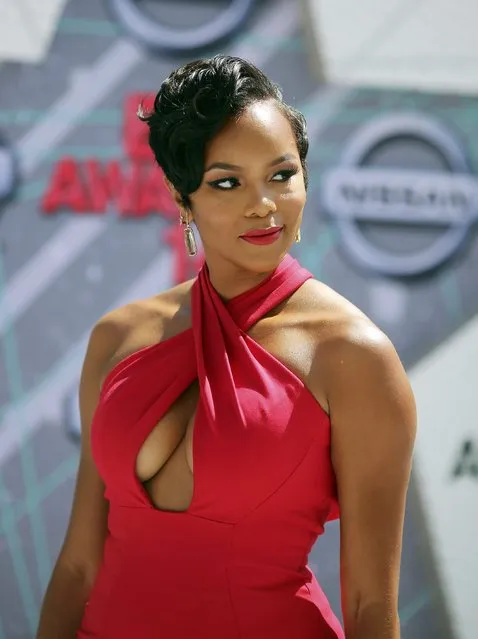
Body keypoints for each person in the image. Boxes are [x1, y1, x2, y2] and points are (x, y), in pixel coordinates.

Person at [36, 55, 416, 639]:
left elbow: (370, 605)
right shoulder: (119, 338)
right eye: (227, 182)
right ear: (181, 195)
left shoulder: (354, 355)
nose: (262, 203)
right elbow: (79, 564)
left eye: (282, 175)